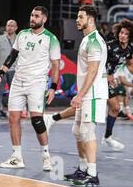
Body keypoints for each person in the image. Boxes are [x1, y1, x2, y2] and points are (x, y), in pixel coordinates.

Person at [45, 19, 133, 151]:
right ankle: (52, 118)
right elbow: (98, 62)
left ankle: (107, 137)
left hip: (106, 80)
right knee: (85, 108)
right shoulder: (110, 46)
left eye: (126, 34)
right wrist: (107, 75)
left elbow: (126, 63)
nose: (122, 35)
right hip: (97, 79)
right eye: (121, 33)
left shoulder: (129, 50)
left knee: (114, 108)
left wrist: (113, 76)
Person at [0, 6, 60, 171]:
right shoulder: (22, 34)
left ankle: (46, 156)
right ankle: (17, 157)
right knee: (13, 118)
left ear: (44, 19)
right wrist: (0, 74)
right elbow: (12, 56)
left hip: (36, 84)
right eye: (31, 15)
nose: (32, 18)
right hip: (18, 81)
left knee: (37, 120)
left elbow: (56, 66)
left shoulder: (51, 39)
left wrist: (53, 87)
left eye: (36, 16)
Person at [64, 5, 107, 187]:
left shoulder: (94, 41)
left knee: (88, 132)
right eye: (77, 17)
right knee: (78, 131)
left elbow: (93, 70)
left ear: (90, 19)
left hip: (93, 94)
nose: (77, 20)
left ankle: (92, 173)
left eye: (80, 17)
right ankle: (82, 169)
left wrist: (80, 95)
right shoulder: (85, 39)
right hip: (85, 94)